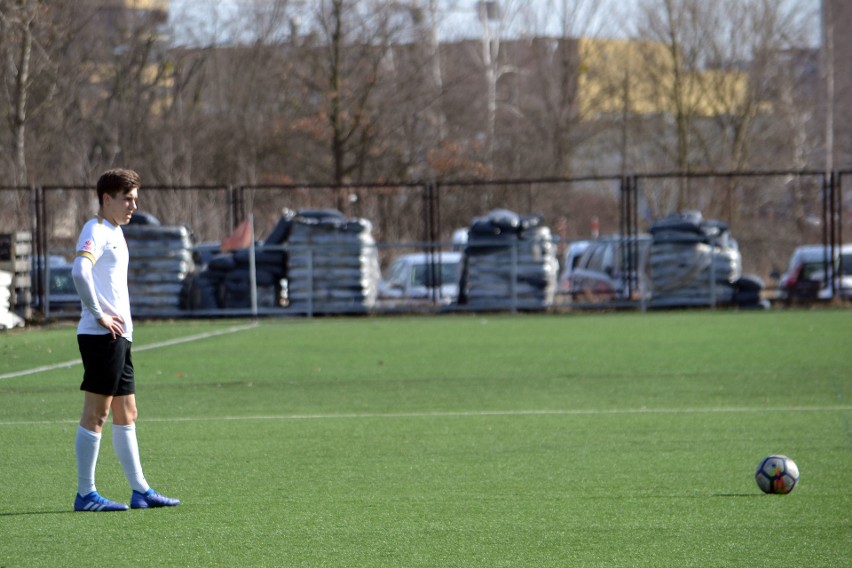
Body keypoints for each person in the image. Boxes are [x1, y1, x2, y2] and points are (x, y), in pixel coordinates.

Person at [71, 168, 180, 512]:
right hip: (101, 336)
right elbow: (79, 270)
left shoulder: (115, 230)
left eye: (135, 198)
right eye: (128, 199)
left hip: (120, 337)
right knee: (97, 414)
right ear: (107, 199)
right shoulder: (96, 230)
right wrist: (98, 313)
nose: (134, 205)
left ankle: (140, 491)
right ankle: (86, 494)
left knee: (127, 412)